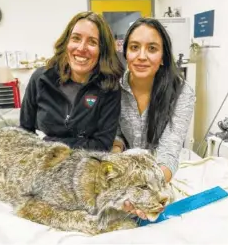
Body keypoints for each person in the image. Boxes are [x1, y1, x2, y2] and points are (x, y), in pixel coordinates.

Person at [112, 18, 196, 218]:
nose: (142, 56)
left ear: (163, 57)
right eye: (134, 47)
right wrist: (116, 159)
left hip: (160, 174)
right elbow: (116, 134)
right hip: (124, 169)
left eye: (152, 48)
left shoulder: (182, 92)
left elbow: (170, 148)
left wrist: (149, 191)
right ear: (126, 53)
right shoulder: (112, 88)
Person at [20, 11, 125, 152]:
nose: (81, 48)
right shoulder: (40, 79)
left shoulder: (109, 88)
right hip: (43, 168)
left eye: (92, 42)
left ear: (102, 50)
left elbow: (102, 145)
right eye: (76, 38)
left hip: (86, 168)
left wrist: (48, 142)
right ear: (66, 42)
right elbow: (24, 133)